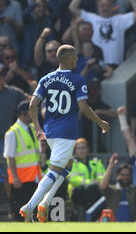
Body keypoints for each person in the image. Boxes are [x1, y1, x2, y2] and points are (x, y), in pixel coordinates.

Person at [19, 44, 109, 222]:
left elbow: (32, 104)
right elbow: (83, 107)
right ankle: (30, 206)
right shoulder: (77, 80)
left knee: (67, 166)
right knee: (54, 171)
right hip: (66, 133)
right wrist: (100, 122)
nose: (77, 59)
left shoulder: (46, 79)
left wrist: (38, 127)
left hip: (51, 131)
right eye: (75, 56)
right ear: (68, 58)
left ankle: (45, 201)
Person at [69, 0, 136, 66]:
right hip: (98, 66)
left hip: (117, 65)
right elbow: (73, 7)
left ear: (112, 7)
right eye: (102, 6)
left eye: (107, 5)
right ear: (98, 7)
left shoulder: (120, 19)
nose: (105, 8)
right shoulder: (92, 18)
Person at [3, 100, 42, 221]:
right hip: (20, 179)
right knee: (20, 212)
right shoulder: (12, 132)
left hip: (34, 177)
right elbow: (10, 157)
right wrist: (14, 177)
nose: (33, 115)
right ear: (23, 114)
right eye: (31, 112)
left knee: (33, 212)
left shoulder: (32, 128)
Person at [0, 66, 28, 156]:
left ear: (1, 80)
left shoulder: (14, 93)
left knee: (5, 168)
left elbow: (29, 101)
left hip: (5, 140)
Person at [68, 138, 106, 221]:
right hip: (77, 192)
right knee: (90, 188)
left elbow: (102, 176)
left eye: (83, 148)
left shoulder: (96, 161)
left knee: (95, 189)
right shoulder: (72, 162)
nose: (81, 151)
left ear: (88, 149)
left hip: (94, 191)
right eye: (78, 148)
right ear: (75, 151)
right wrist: (91, 182)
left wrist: (97, 182)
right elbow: (73, 179)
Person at [99, 153, 136, 222]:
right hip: (113, 227)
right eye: (122, 175)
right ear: (117, 176)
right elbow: (103, 186)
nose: (125, 177)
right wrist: (110, 166)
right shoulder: (112, 190)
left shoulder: (135, 190)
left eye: (127, 175)